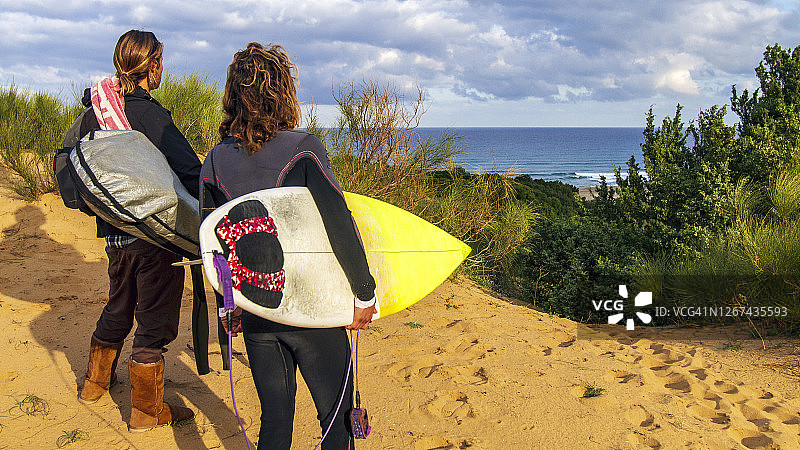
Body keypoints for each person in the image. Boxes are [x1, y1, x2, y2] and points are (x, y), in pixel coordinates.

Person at [200, 42, 377, 449]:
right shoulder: (303, 147)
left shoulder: (214, 160)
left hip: (257, 310)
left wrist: (229, 309)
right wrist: (363, 292)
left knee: (275, 420)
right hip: (310, 309)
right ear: (282, 92)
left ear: (233, 96)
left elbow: (214, 251)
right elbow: (339, 224)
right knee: (336, 418)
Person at [73, 30, 199, 432]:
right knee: (154, 321)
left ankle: (94, 383)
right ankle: (146, 410)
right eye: (162, 61)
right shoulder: (149, 113)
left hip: (113, 234)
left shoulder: (95, 111)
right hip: (154, 235)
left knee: (119, 303)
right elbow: (189, 170)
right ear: (153, 65)